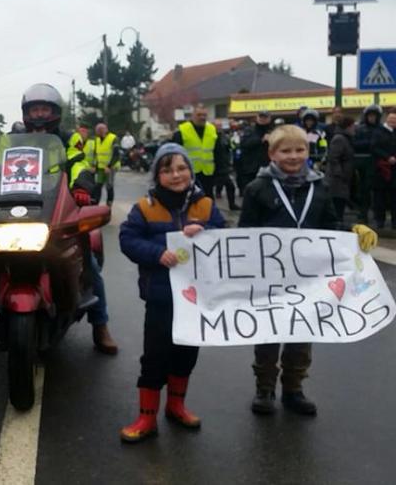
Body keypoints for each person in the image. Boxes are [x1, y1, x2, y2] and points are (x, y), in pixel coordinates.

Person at [239, 124, 377, 416]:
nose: (293, 156)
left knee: (302, 333)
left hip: (307, 279)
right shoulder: (257, 188)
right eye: (285, 150)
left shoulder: (320, 188)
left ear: (308, 151)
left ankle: (294, 388)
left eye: (299, 150)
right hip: (270, 279)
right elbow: (244, 235)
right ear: (272, 153)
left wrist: (353, 230)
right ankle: (264, 388)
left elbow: (329, 227)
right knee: (268, 334)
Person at [118, 143, 225, 443]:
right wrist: (156, 253)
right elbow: (128, 239)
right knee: (155, 355)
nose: (176, 175)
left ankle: (176, 406)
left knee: (186, 352)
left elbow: (223, 236)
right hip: (161, 297)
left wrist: (204, 231)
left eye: (181, 168)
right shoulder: (145, 207)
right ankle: (146, 417)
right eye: (167, 170)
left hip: (195, 298)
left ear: (190, 171)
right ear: (157, 175)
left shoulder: (205, 205)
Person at [20, 83, 117, 354]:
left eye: (44, 109)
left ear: (55, 112)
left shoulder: (68, 139)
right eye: (35, 109)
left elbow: (78, 165)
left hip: (58, 207)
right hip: (21, 210)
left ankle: (101, 325)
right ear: (27, 112)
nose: (39, 115)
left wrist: (82, 187)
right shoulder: (14, 138)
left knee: (89, 261)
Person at [171, 104, 218, 198]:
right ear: (192, 116)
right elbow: (174, 154)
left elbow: (218, 152)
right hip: (189, 174)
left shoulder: (212, 129)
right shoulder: (182, 130)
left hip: (208, 173)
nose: (202, 117)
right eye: (199, 115)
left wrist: (221, 172)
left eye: (204, 115)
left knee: (208, 201)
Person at [353, 104, 384, 223]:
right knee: (363, 190)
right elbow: (355, 144)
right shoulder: (360, 129)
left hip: (379, 164)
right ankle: (363, 214)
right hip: (364, 164)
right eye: (370, 115)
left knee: (379, 192)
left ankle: (378, 216)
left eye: (374, 116)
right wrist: (370, 143)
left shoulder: (382, 129)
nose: (372, 118)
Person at [325, 116, 357, 221]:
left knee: (341, 204)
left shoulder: (346, 138)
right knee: (337, 205)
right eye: (352, 126)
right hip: (337, 180)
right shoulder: (339, 139)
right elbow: (333, 157)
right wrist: (340, 174)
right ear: (347, 127)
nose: (354, 128)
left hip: (342, 179)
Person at [371, 108, 396, 229]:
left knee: (394, 197)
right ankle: (379, 221)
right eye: (391, 118)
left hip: (394, 171)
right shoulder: (378, 132)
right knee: (379, 197)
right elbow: (374, 147)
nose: (393, 121)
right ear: (387, 118)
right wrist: (387, 157)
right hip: (381, 170)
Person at [237, 111, 273, 195]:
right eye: (261, 117)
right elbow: (244, 143)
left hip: (268, 166)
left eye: (265, 117)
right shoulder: (249, 130)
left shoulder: (273, 131)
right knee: (252, 192)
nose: (263, 119)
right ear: (257, 118)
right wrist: (260, 140)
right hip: (252, 168)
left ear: (269, 119)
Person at [212, 121, 240, 210]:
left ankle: (231, 204)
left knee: (230, 186)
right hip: (215, 166)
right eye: (217, 126)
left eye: (220, 126)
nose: (219, 127)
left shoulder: (224, 136)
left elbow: (228, 148)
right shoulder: (212, 137)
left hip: (224, 166)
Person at [92, 123, 120, 206]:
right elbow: (96, 154)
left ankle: (109, 203)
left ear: (105, 129)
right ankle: (95, 202)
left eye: (100, 130)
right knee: (98, 185)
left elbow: (116, 154)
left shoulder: (113, 138)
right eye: (97, 131)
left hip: (110, 167)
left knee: (109, 185)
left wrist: (109, 166)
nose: (98, 132)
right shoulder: (97, 139)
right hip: (100, 167)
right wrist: (94, 166)